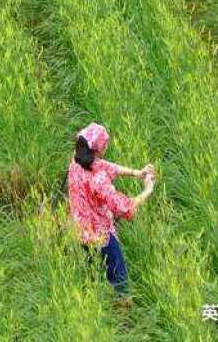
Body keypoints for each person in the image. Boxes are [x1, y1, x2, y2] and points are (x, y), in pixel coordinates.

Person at [67, 123, 155, 307]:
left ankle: (91, 304)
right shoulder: (98, 179)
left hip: (79, 231)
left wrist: (136, 173)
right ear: (100, 149)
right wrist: (147, 190)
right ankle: (124, 313)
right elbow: (124, 208)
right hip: (100, 235)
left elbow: (105, 166)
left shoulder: (75, 162)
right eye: (106, 145)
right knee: (118, 275)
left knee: (91, 271)